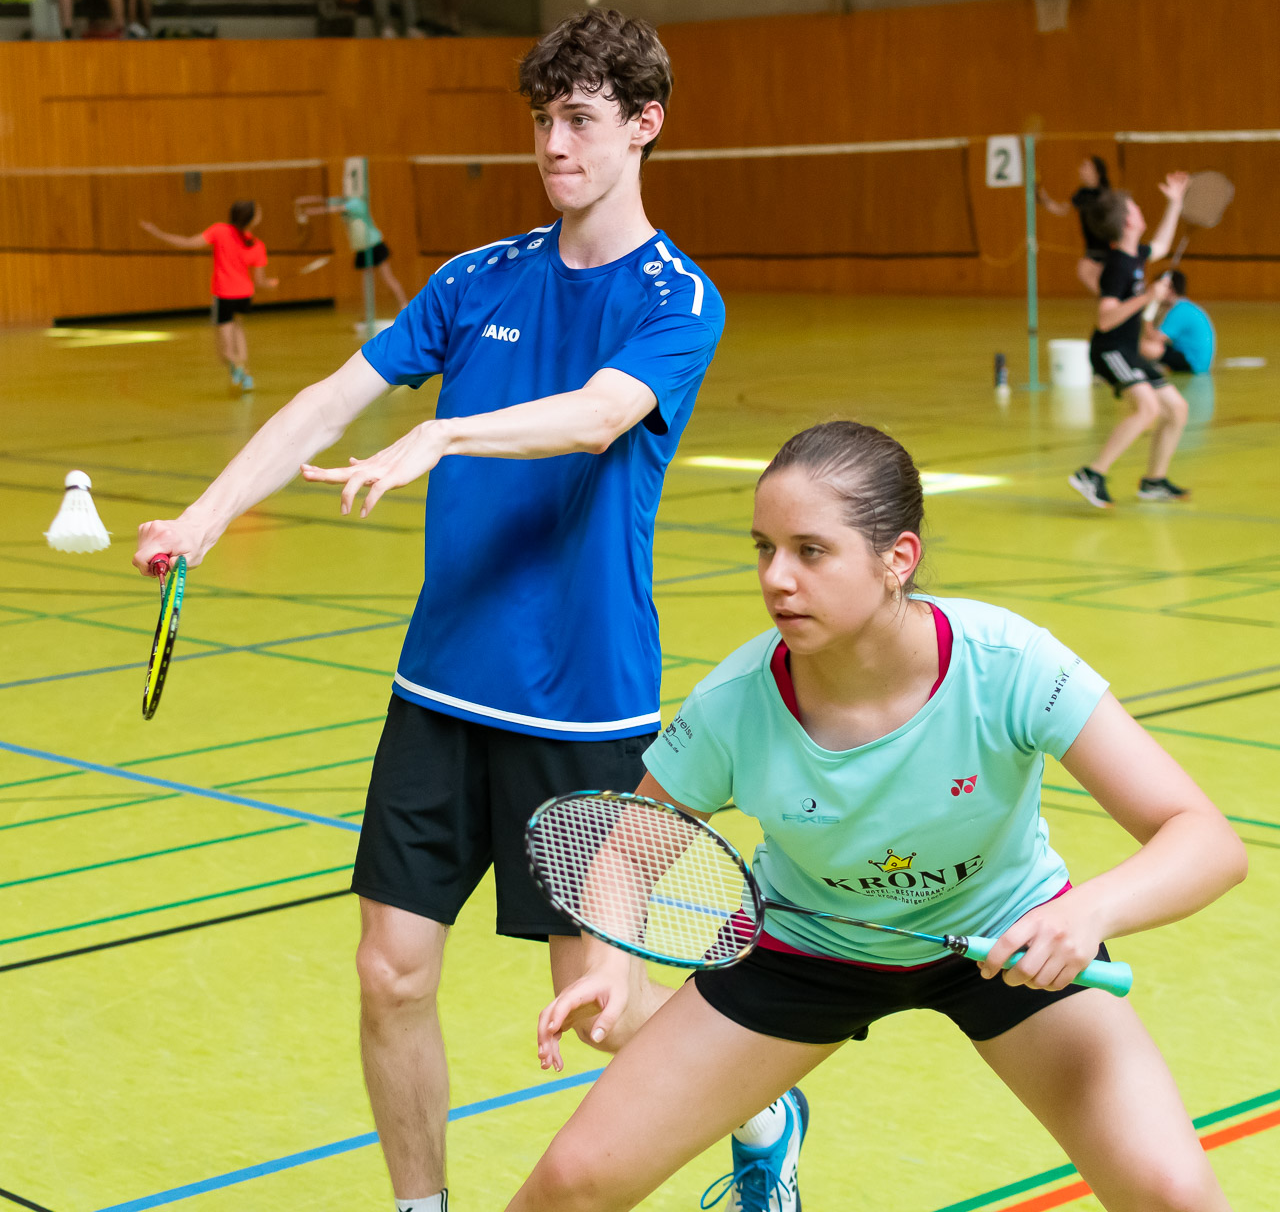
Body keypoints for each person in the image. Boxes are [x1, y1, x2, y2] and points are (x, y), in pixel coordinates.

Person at [132, 10, 724, 1212]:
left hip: (578, 698)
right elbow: (327, 399)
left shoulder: (675, 299)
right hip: (441, 684)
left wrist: (447, 432)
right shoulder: (476, 277)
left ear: (643, 125)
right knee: (390, 973)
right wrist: (204, 513)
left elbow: (597, 416)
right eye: (543, 119)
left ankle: (759, 1105)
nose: (553, 143)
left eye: (580, 119)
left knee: (599, 1006)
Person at [511, 419, 1246, 1212]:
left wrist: (1087, 911)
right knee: (571, 1187)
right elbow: (629, 852)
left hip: (1007, 936)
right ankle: (771, 1120)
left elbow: (1204, 838)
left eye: (810, 551)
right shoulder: (735, 703)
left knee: (1175, 1196)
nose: (777, 578)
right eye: (764, 548)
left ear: (898, 558)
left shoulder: (1008, 665)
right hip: (805, 948)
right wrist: (611, 961)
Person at [1068, 173, 1191, 508]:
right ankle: (1092, 474)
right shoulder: (1118, 267)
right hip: (1109, 350)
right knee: (1148, 408)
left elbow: (1161, 246)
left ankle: (1154, 481)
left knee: (1177, 408)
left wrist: (1175, 203)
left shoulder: (1135, 254)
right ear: (1128, 221)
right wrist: (1148, 296)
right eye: (1135, 207)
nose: (1140, 209)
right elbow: (1105, 318)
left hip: (1128, 350)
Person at [139, 200, 278, 394]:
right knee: (238, 330)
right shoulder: (257, 245)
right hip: (244, 295)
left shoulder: (220, 231)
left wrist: (158, 233)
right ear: (252, 220)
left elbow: (187, 242)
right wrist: (270, 283)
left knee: (224, 349)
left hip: (224, 295)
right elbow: (261, 282)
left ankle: (237, 369)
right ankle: (246, 376)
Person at [294, 190, 410, 313]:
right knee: (366, 283)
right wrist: (303, 200)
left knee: (387, 278)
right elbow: (322, 199)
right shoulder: (342, 200)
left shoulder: (357, 203)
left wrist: (311, 211)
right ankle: (368, 313)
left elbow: (332, 209)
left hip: (374, 245)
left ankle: (404, 305)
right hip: (362, 249)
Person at [1037, 156, 1112, 294]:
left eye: (1085, 166)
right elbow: (1062, 209)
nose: (1080, 170)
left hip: (1108, 247)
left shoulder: (1106, 194)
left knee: (1086, 271)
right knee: (1091, 275)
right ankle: (1110, 300)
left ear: (1097, 172)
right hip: (1092, 247)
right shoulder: (1082, 194)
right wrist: (1044, 200)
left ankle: (1110, 300)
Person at [1141, 269, 1216, 375]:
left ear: (1170, 289)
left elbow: (1154, 338)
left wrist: (1147, 315)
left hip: (1192, 363)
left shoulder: (1180, 310)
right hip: (1195, 360)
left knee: (1146, 346)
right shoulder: (1184, 307)